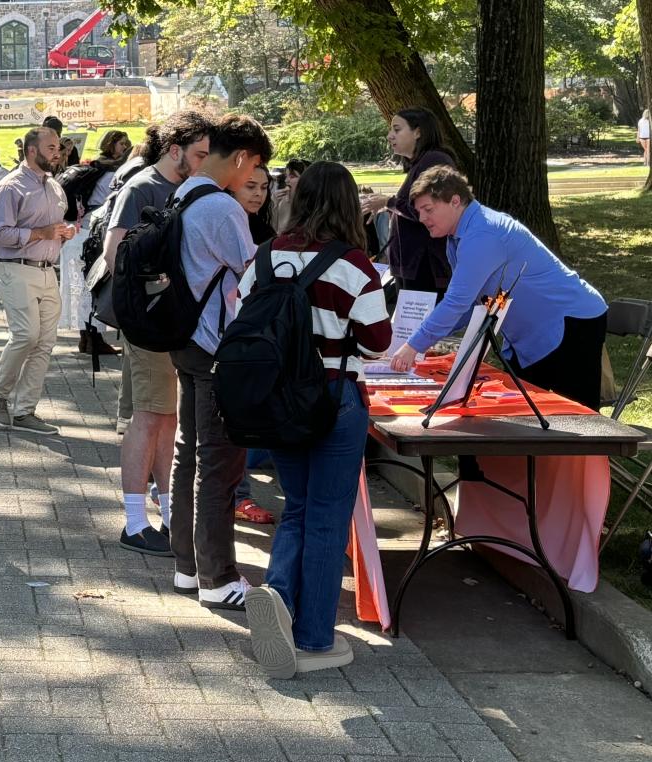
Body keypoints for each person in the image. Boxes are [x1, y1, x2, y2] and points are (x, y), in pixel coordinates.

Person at [243, 161, 392, 679]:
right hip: (335, 397)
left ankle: (279, 597)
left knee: (298, 507)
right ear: (350, 206)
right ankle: (313, 638)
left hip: (279, 399)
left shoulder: (266, 256)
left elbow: (243, 315)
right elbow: (378, 343)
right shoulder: (354, 265)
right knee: (329, 516)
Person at [388, 166, 609, 407]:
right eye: (419, 211)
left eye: (428, 209)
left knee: (579, 420)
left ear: (454, 201)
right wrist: (421, 336)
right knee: (522, 414)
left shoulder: (482, 232)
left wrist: (414, 344)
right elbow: (470, 305)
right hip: (532, 335)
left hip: (570, 324)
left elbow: (457, 302)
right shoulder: (459, 236)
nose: (421, 219)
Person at [167, 114, 271, 612]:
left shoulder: (184, 192)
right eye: (253, 168)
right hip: (215, 347)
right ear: (244, 158)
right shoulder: (222, 208)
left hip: (183, 340)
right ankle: (217, 576)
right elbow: (254, 276)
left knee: (189, 456)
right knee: (219, 464)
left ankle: (188, 567)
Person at [106, 112, 209, 557]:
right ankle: (133, 522)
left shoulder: (189, 189)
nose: (207, 162)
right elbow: (116, 255)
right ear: (175, 151)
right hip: (149, 323)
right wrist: (157, 294)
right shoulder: (143, 188)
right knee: (150, 416)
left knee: (168, 417)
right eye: (200, 154)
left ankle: (168, 513)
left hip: (173, 324)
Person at [0, 127, 75, 437]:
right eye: (51, 147)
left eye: (58, 147)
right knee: (26, 335)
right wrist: (41, 234)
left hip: (47, 270)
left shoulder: (54, 187)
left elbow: (54, 228)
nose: (57, 151)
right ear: (31, 151)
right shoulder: (10, 187)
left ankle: (25, 410)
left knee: (45, 342)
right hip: (15, 268)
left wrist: (63, 233)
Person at [359, 108, 458, 294]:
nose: (390, 136)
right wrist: (388, 206)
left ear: (418, 132)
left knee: (423, 323)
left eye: (397, 129)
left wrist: (388, 202)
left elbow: (429, 210)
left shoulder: (435, 160)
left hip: (427, 268)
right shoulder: (420, 163)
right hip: (411, 267)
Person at [228, 163, 278, 527]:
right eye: (250, 186)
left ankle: (237, 493)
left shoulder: (260, 224)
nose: (258, 193)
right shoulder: (229, 221)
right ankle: (237, 496)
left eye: (263, 186)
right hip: (232, 336)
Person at [57, 129, 130, 356]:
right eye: (122, 144)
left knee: (82, 290)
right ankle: (93, 339)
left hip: (80, 235)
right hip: (91, 237)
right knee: (92, 290)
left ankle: (86, 338)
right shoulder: (112, 174)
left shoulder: (97, 167)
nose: (125, 147)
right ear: (111, 145)